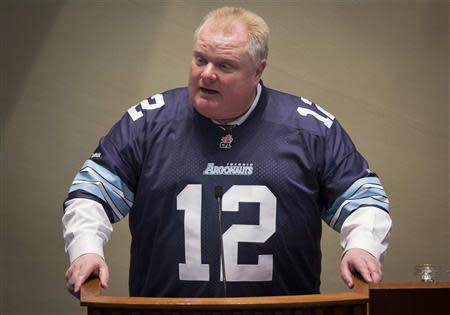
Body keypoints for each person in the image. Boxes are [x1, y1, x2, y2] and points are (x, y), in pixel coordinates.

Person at [63, 7, 391, 298]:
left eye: (225, 64)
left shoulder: (309, 129)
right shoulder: (148, 123)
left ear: (258, 70)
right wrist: (86, 250)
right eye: (200, 59)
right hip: (166, 310)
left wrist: (362, 245)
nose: (207, 73)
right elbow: (92, 192)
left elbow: (362, 197)